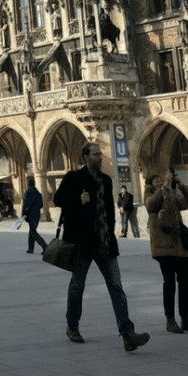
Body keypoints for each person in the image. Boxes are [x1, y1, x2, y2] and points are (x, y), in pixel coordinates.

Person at [53, 142, 150, 351]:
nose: (100, 157)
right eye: (96, 154)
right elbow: (57, 199)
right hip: (83, 243)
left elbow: (109, 212)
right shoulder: (74, 177)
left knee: (117, 288)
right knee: (77, 286)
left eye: (101, 154)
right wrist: (77, 200)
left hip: (105, 243)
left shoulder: (106, 180)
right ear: (86, 156)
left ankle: (127, 333)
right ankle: (72, 326)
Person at [144, 169, 188, 333]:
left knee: (184, 282)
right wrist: (166, 187)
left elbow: (186, 203)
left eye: (161, 180)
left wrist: (181, 185)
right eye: (156, 181)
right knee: (169, 283)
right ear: (150, 184)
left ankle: (185, 317)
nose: (159, 183)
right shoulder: (149, 196)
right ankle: (170, 319)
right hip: (164, 247)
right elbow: (152, 205)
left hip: (180, 246)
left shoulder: (171, 195)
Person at [21, 177, 47, 254]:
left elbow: (25, 205)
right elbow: (41, 205)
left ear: (28, 184)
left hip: (30, 215)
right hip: (37, 215)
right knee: (32, 231)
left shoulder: (27, 193)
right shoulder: (39, 194)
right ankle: (30, 248)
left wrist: (23, 214)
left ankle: (45, 246)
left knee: (33, 232)